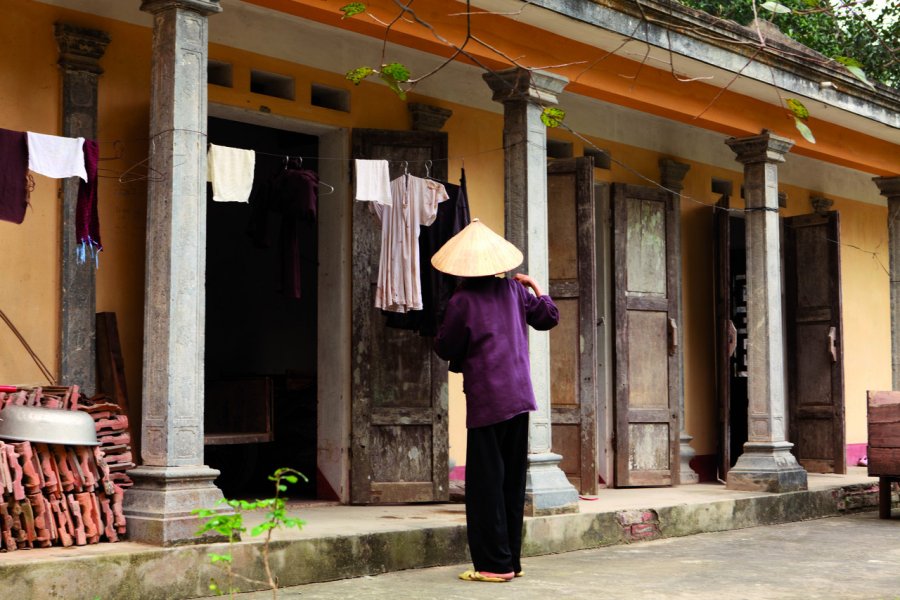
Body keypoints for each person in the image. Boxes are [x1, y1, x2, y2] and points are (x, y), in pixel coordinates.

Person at [432, 219, 559, 583]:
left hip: (488, 403)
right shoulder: (516, 293)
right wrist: (535, 286)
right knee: (511, 484)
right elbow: (549, 317)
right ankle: (511, 562)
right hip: (519, 399)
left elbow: (445, 347)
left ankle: (493, 565)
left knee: (486, 487)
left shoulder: (461, 301)